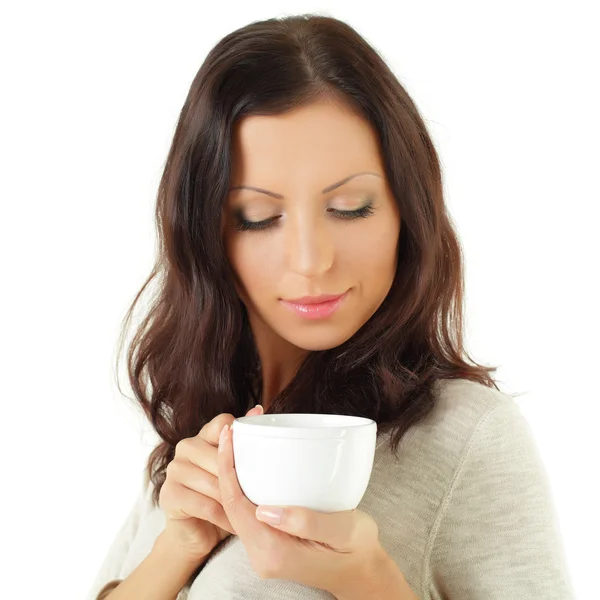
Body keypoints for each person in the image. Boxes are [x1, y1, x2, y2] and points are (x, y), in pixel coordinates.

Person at [86, 13, 575, 600]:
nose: (312, 260)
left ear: (405, 214)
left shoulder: (465, 437)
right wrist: (178, 547)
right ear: (206, 233)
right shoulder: (194, 434)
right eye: (258, 218)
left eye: (349, 207)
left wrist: (370, 583)